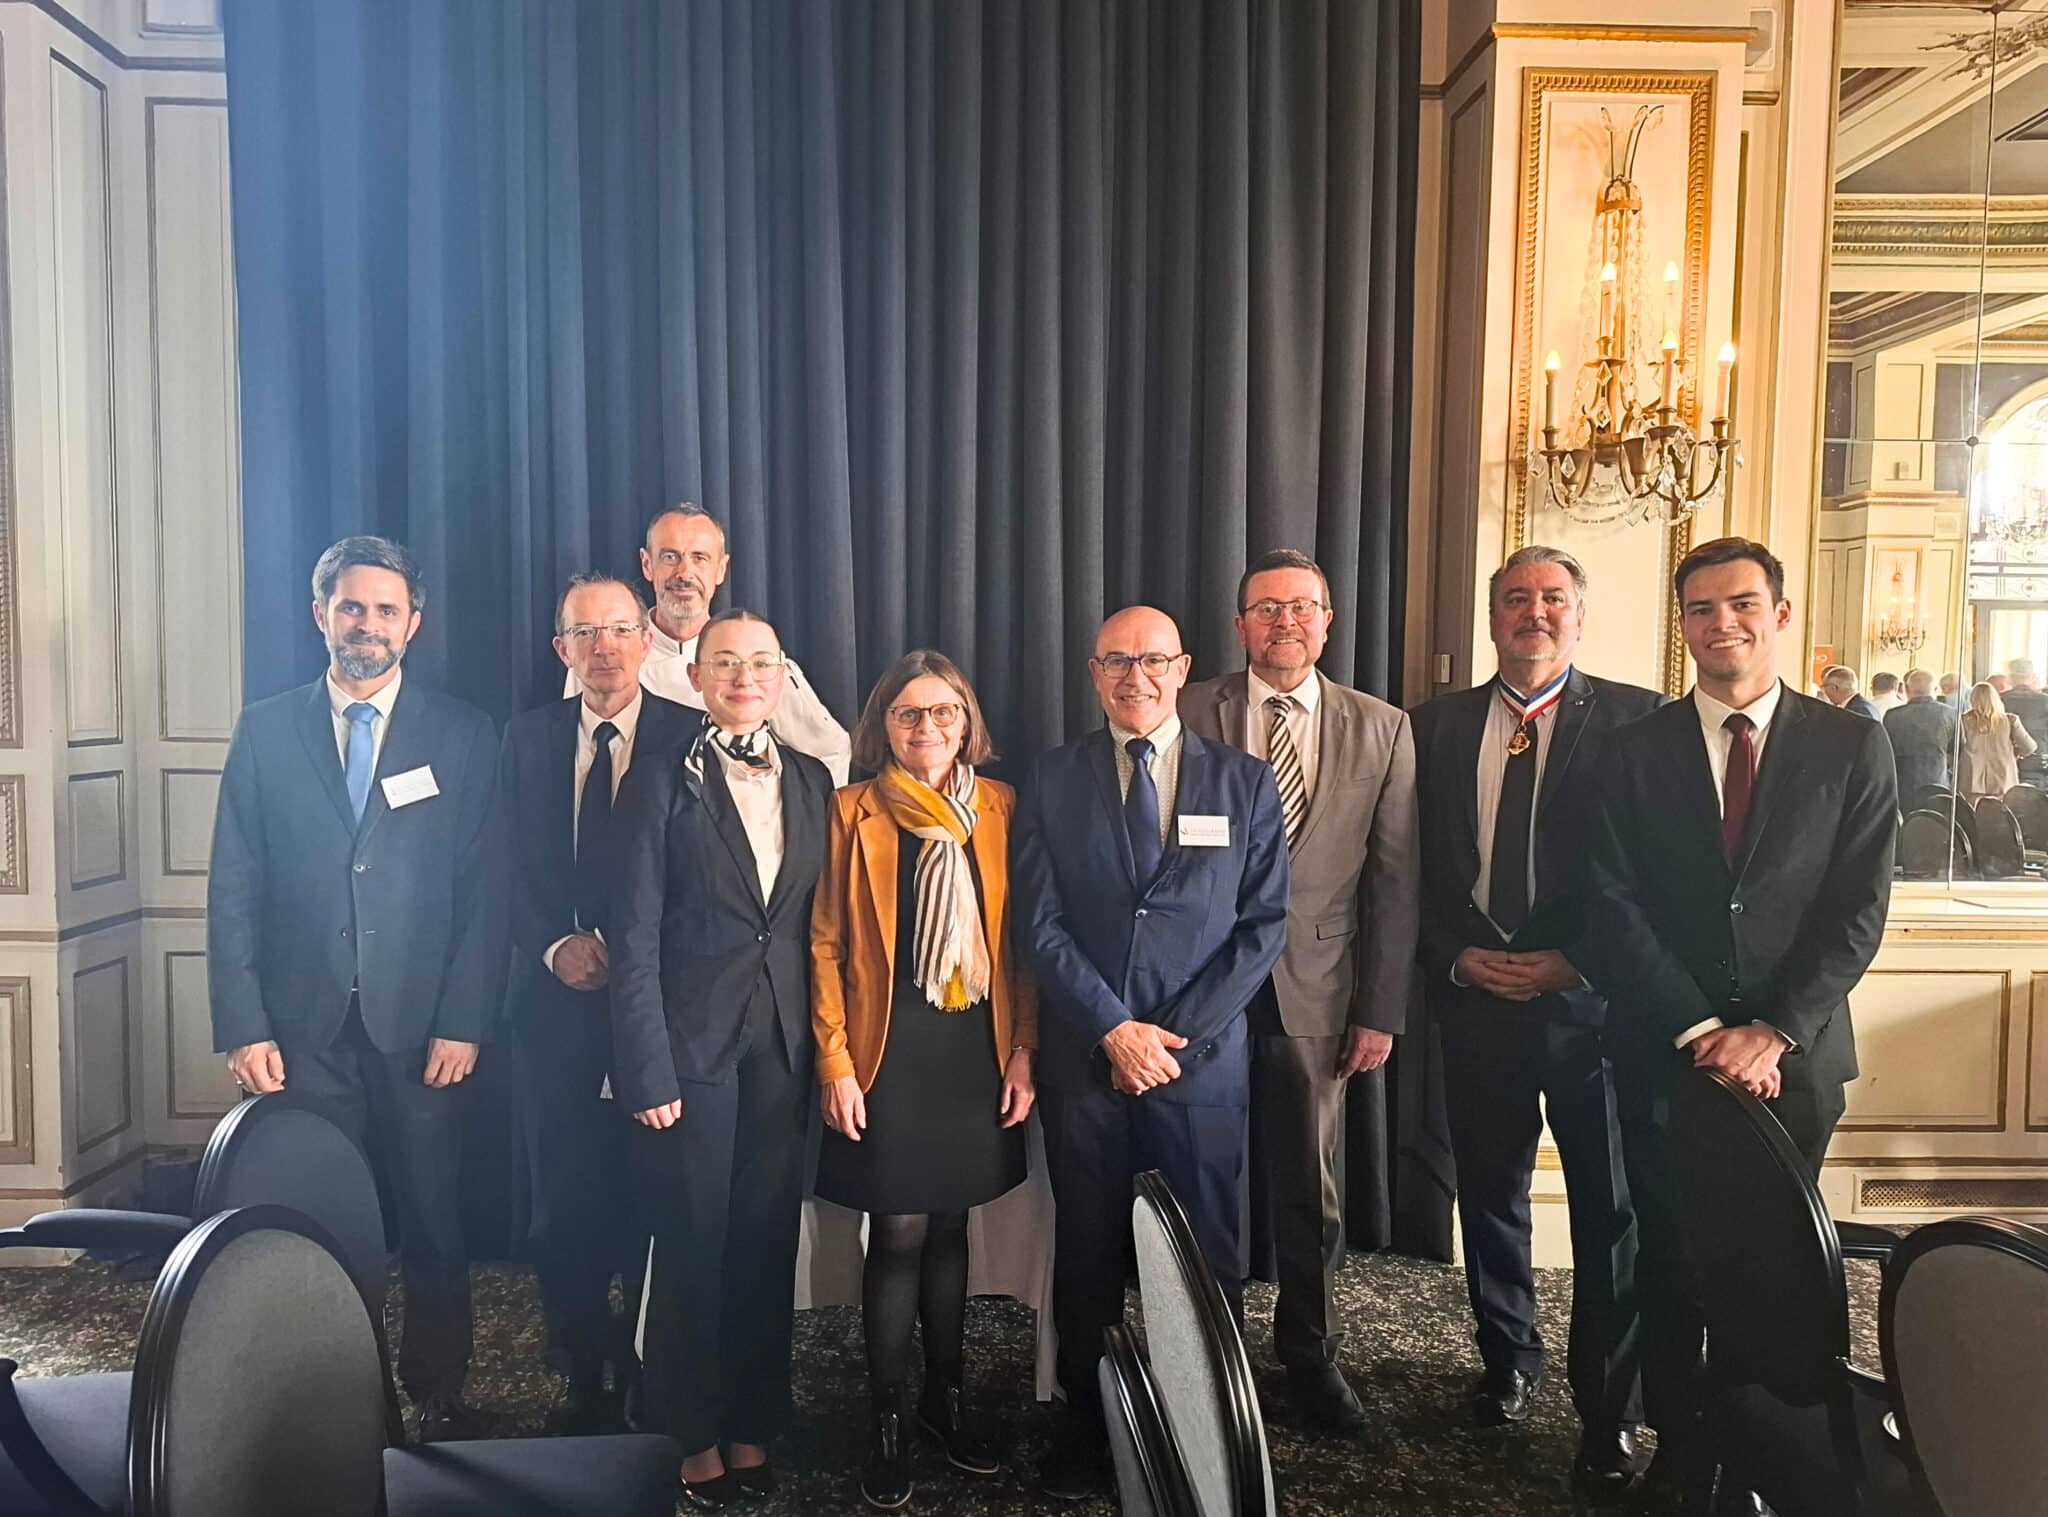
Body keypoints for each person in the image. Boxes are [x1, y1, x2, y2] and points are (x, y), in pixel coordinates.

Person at [1582, 537, 1896, 1507]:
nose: (1722, 623)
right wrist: (1696, 1028)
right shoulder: (1629, 750)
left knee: (1771, 1266)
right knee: (1668, 1258)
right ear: (1679, 625)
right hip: (1662, 1055)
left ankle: (1763, 1452)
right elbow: (1606, 901)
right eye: (1701, 608)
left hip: (1792, 1064)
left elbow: (1855, 908)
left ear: (1780, 614)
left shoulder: (1850, 745)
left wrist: (1768, 1029)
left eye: (1741, 603)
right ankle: (1682, 1446)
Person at [207, 535, 507, 1439]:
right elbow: (234, 884)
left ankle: (441, 1395)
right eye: (350, 606)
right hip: (301, 1029)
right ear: (319, 614)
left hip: (422, 1030)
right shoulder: (264, 729)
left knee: (432, 1217)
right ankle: (340, 1395)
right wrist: (242, 1022)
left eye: (385, 609)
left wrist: (465, 1018)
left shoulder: (463, 733)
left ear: (413, 623)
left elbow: (484, 892)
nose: (366, 625)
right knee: (323, 1221)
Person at [1011, 606, 1288, 1501]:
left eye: (1154, 659)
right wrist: (1112, 1028)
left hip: (1198, 1065)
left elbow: (1262, 925)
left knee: (1204, 1258)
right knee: (1088, 1250)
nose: (1138, 675)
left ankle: (1204, 1429)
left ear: (1185, 667)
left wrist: (1175, 1038)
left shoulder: (1243, 781)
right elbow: (1039, 922)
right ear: (1094, 673)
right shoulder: (1051, 778)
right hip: (1088, 1058)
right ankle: (1088, 1430)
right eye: (1119, 661)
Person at [1410, 546, 1658, 1504]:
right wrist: (1454, 956)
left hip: (1593, 1010)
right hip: (1476, 1003)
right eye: (1516, 598)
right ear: (1491, 615)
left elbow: (1652, 875)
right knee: (1490, 1195)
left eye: (1553, 598)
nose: (1535, 612)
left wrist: (1581, 962)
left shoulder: (1639, 722)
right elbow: (1413, 868)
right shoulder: (1433, 726)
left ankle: (1610, 1407)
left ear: (1580, 616)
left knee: (1608, 1212)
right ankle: (1507, 1358)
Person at [1180, 549, 1418, 1434]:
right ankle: (1205, 1352)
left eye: (1302, 607)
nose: (1285, 621)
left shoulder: (1383, 727)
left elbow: (1394, 883)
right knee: (1202, 1177)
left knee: (1308, 1189)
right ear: (1239, 623)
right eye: (1266, 607)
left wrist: (1379, 1010)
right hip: (1200, 989)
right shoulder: (1189, 706)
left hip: (1318, 993)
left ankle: (1310, 1358)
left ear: (1328, 621)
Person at [608, 609, 835, 1508]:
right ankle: (689, 1430)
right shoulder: (658, 780)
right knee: (693, 1244)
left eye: (762, 662)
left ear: (782, 676)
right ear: (695, 678)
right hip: (689, 1052)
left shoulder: (817, 779)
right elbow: (632, 938)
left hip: (784, 1049)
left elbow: (818, 926)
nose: (745, 676)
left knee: (765, 1244)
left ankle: (752, 1422)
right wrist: (646, 1068)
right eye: (726, 662)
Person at [810, 650, 1038, 1509]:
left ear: (967, 720)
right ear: (883, 725)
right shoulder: (850, 810)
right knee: (898, 1228)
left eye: (944, 712)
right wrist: (834, 1061)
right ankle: (887, 1414)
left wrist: (1024, 1049)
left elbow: (1021, 945)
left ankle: (948, 1397)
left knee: (952, 1224)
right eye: (910, 714)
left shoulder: (1001, 809)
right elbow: (825, 944)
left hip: (973, 1048)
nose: (928, 728)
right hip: (886, 1050)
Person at [497, 574, 698, 1431]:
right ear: (562, 650)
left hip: (662, 1014)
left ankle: (656, 1367)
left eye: (620, 629)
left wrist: (642, 960)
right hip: (554, 1011)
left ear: (645, 640)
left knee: (658, 1197)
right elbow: (494, 868)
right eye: (587, 633)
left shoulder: (694, 738)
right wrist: (554, 946)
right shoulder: (524, 739)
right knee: (565, 1205)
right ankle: (583, 1368)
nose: (606, 647)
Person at [565, 504, 852, 783]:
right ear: (647, 564)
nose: (684, 574)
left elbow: (831, 751)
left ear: (721, 570)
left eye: (700, 558)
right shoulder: (601, 658)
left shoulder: (760, 665)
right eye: (669, 557)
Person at [1884, 668, 1959, 796]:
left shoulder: (1892, 715)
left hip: (1900, 783)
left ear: (1907, 690)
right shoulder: (1950, 714)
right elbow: (1958, 748)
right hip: (1937, 780)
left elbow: (1885, 750)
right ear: (1935, 690)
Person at [1958, 681, 2037, 801]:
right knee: (2000, 816)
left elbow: (1954, 748)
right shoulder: (2011, 720)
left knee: (1971, 817)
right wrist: (2015, 753)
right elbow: (2030, 747)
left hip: (1971, 780)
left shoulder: (1962, 721)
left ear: (1972, 699)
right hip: (2003, 779)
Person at [2004, 659, 2048, 781]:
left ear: (2010, 678)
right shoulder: (2045, 701)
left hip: (2008, 761)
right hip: (2040, 762)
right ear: (2031, 677)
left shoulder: (1999, 700)